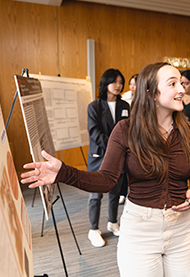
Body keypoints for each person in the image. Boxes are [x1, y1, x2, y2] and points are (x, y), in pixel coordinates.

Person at [21, 62, 190, 277]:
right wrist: (63, 172)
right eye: (172, 83)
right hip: (141, 229)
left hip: (182, 229)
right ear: (151, 92)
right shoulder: (125, 130)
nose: (182, 89)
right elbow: (107, 180)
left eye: (181, 83)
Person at [86, 68, 130, 247]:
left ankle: (113, 222)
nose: (118, 86)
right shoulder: (94, 106)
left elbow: (128, 130)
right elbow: (94, 133)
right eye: (114, 82)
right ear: (105, 84)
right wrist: (115, 146)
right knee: (95, 195)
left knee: (115, 192)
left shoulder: (125, 106)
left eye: (121, 82)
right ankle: (93, 229)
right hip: (100, 156)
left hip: (119, 158)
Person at [118, 73, 137, 204]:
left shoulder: (147, 99)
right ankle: (123, 193)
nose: (132, 87)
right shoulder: (124, 98)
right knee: (124, 168)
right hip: (128, 134)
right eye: (131, 84)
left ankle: (133, 191)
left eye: (135, 84)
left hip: (138, 136)